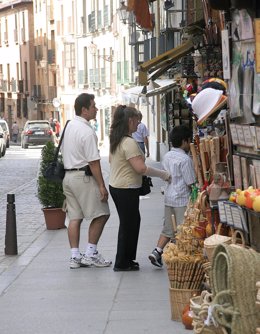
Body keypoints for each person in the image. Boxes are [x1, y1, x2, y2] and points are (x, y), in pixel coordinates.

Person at [109, 105, 171, 272]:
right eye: (137, 120)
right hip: (126, 188)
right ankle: (122, 262)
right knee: (129, 223)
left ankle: (128, 259)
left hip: (119, 186)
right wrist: (163, 174)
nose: (139, 123)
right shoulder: (128, 142)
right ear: (130, 121)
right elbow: (141, 168)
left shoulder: (117, 139)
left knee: (131, 222)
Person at [61, 93, 111, 269]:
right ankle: (90, 252)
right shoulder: (87, 131)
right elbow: (94, 161)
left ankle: (74, 256)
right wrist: (102, 186)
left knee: (74, 217)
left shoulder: (68, 126)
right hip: (83, 177)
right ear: (84, 110)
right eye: (93, 106)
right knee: (102, 213)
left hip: (68, 177)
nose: (96, 109)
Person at [148, 125, 196, 267]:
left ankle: (157, 251)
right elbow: (190, 182)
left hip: (169, 197)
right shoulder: (185, 159)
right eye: (189, 140)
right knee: (183, 230)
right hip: (181, 199)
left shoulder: (167, 155)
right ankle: (181, 257)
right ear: (184, 141)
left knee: (168, 228)